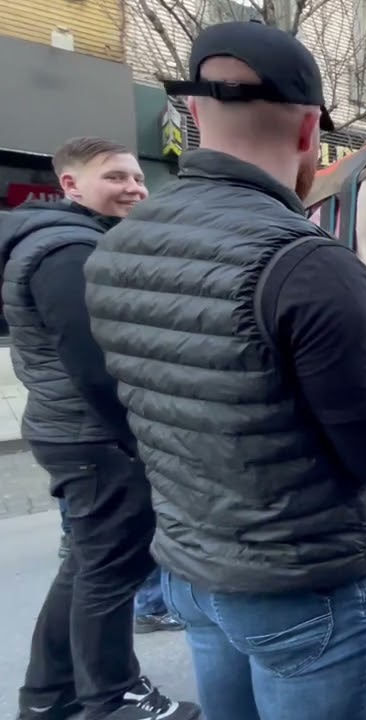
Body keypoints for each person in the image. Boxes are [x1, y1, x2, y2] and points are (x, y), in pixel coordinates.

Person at [82, 22, 366, 719]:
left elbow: (126, 409)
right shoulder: (310, 264)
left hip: (195, 569)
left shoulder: (115, 248)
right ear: (309, 132)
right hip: (309, 587)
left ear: (195, 115)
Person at [1, 138, 198, 720]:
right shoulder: (68, 250)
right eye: (115, 177)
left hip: (78, 434)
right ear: (70, 184)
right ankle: (113, 698)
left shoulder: (64, 240)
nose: (135, 187)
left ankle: (48, 696)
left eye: (138, 177)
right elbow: (95, 367)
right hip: (95, 438)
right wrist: (140, 441)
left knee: (88, 566)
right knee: (109, 572)